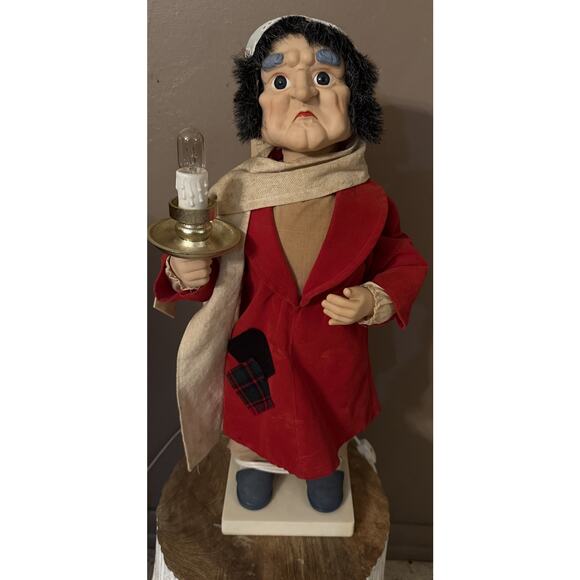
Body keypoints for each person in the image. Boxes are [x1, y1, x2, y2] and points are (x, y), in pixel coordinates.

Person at [154, 16, 428, 513]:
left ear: (354, 100)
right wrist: (185, 272)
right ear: (255, 105)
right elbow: (209, 265)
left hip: (331, 358)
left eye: (324, 77)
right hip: (259, 353)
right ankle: (255, 463)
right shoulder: (236, 195)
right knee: (257, 436)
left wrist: (376, 297)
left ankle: (324, 465)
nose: (303, 94)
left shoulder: (369, 200)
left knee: (325, 439)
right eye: (280, 81)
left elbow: (400, 258)